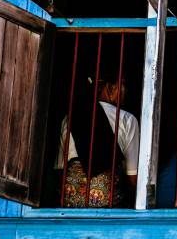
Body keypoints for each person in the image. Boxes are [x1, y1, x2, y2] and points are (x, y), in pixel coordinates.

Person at [54, 72, 140, 208]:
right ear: (109, 87)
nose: (125, 90)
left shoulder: (69, 118)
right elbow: (132, 177)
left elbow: (60, 169)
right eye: (122, 84)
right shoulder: (127, 120)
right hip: (110, 210)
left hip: (70, 209)